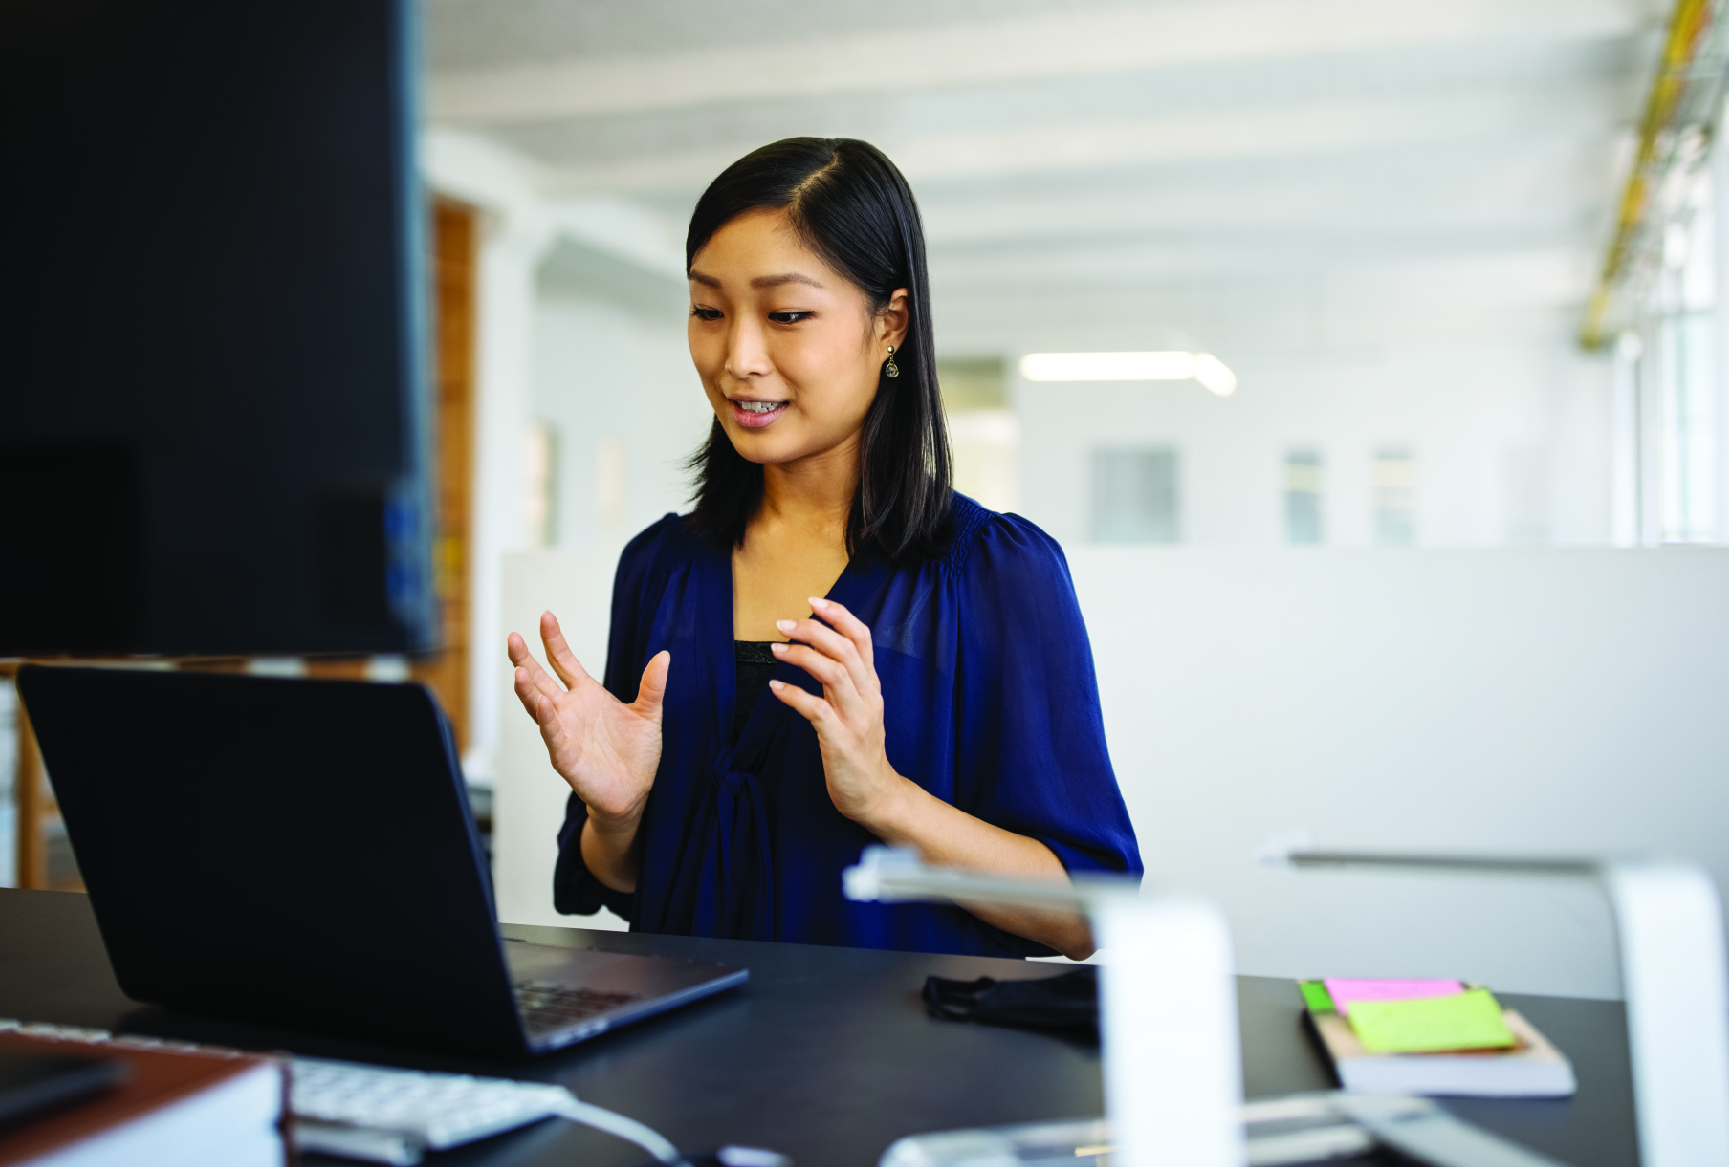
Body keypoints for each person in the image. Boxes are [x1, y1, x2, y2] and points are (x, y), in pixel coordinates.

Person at [507, 138, 1140, 960]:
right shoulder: (660, 567)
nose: (736, 357)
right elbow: (617, 880)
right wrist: (617, 814)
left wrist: (883, 796)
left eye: (786, 315)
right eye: (707, 310)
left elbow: (1087, 913)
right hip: (678, 1071)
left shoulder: (994, 574)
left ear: (890, 324)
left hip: (895, 1075)